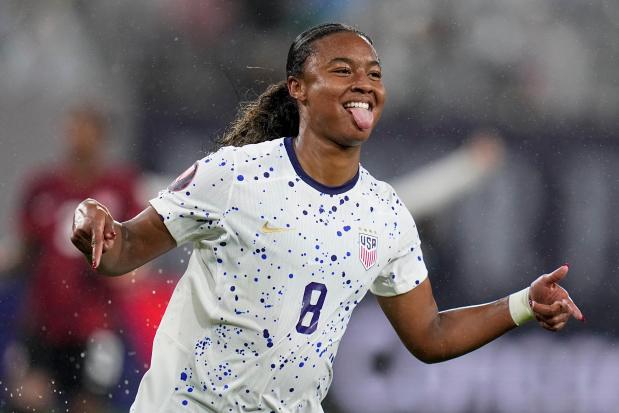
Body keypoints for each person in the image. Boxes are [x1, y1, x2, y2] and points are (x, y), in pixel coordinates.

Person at [70, 23, 583, 413]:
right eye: (342, 70)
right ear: (298, 87)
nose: (364, 84)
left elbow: (429, 335)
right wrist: (91, 218)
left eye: (374, 74)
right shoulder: (234, 175)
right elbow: (124, 250)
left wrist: (522, 305)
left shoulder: (385, 215)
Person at [9, 105, 143, 412]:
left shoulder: (119, 188)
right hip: (45, 320)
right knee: (28, 398)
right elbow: (25, 250)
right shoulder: (43, 187)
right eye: (71, 130)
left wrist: (122, 274)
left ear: (101, 136)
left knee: (90, 403)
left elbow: (137, 254)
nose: (75, 139)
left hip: (96, 324)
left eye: (83, 130)